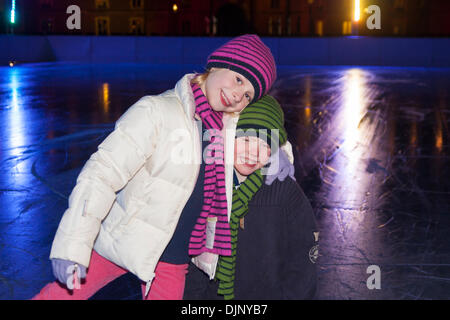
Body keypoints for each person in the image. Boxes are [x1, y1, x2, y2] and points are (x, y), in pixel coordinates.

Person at [32, 34, 295, 300]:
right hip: (123, 238)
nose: (238, 94)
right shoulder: (156, 112)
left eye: (248, 94)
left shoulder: (228, 128)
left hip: (173, 257)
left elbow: (263, 128)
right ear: (215, 66)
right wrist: (73, 244)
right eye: (238, 79)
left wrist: (279, 150)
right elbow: (102, 173)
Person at [183, 95, 319, 300]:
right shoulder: (211, 186)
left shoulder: (284, 191)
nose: (252, 152)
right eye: (246, 139)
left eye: (264, 145)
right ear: (228, 137)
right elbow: (195, 254)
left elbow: (304, 254)